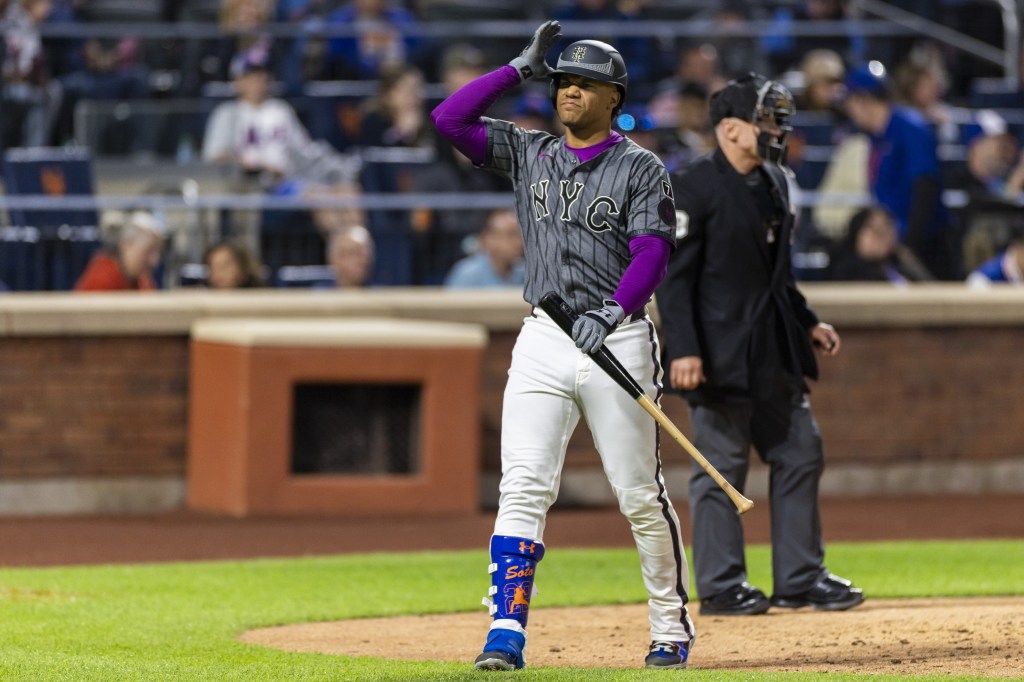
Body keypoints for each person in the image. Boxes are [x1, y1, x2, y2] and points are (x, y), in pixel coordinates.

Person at [432, 21, 694, 671]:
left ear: (614, 97)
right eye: (562, 82)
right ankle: (505, 632)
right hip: (545, 337)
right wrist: (516, 71)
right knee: (522, 485)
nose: (569, 91)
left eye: (584, 83)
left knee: (638, 493)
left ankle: (669, 626)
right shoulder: (531, 152)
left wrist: (612, 311)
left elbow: (653, 255)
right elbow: (448, 119)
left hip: (619, 339)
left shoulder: (641, 168)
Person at [656, 73, 864, 618]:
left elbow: (779, 277)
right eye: (765, 119)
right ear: (730, 129)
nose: (775, 129)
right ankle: (723, 586)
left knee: (800, 451)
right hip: (717, 356)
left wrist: (807, 321)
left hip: (773, 349)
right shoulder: (692, 187)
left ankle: (800, 577)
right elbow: (673, 279)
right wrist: (684, 350)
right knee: (723, 468)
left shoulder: (774, 182)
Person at [841, 61, 955, 280]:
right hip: (895, 245)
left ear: (864, 100)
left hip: (925, 245)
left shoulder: (911, 127)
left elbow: (925, 186)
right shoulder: (877, 136)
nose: (849, 111)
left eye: (850, 103)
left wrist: (910, 243)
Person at [828, 205, 933, 283]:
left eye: (887, 227)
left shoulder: (900, 264)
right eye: (875, 230)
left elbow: (931, 291)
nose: (883, 235)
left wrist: (910, 262)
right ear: (856, 235)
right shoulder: (848, 273)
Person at [75, 211, 165, 291]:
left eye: (157, 252)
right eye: (148, 251)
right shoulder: (101, 279)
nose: (154, 261)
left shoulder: (141, 279)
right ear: (127, 244)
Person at [443, 208, 525, 289]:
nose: (519, 242)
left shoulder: (526, 274)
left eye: (520, 235)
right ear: (489, 238)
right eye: (512, 235)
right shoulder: (467, 276)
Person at [324, 224, 374, 288]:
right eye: (353, 252)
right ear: (333, 259)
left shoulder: (382, 294)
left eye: (366, 254)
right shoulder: (315, 295)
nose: (363, 260)